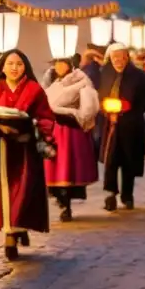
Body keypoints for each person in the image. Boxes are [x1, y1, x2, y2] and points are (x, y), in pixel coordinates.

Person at [0, 49, 57, 260]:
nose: (14, 68)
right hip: (2, 149)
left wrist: (32, 126)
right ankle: (9, 236)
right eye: (10, 64)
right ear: (2, 67)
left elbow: (46, 118)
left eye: (19, 64)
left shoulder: (35, 90)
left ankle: (20, 226)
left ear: (25, 67)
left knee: (24, 191)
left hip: (26, 149)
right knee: (4, 192)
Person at [82, 43, 145, 212]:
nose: (118, 61)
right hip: (108, 124)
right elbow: (93, 93)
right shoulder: (102, 74)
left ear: (127, 58)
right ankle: (110, 193)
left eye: (122, 57)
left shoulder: (140, 76)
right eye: (115, 58)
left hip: (131, 124)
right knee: (110, 160)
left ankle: (127, 195)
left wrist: (131, 107)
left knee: (129, 160)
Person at [41, 56, 99, 222]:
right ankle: (60, 200)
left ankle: (67, 204)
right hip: (53, 130)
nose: (59, 66)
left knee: (69, 166)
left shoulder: (81, 80)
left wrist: (73, 115)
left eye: (62, 63)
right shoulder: (50, 81)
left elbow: (89, 106)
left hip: (72, 130)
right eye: (56, 63)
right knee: (53, 167)